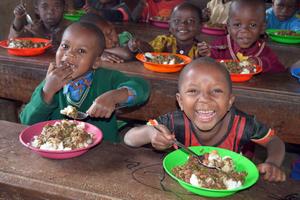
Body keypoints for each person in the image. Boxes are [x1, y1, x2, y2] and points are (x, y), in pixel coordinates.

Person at [124, 58, 286, 182]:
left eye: (216, 91)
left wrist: (273, 163)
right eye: (193, 91)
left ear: (230, 101)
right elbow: (129, 138)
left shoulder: (242, 124)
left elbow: (274, 141)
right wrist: (151, 134)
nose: (204, 100)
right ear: (180, 101)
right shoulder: (174, 122)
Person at [20, 22, 150, 142]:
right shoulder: (50, 82)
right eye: (65, 46)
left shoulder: (106, 78)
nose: (69, 54)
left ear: (96, 62)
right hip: (57, 151)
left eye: (81, 51)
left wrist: (115, 96)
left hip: (103, 154)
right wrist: (47, 92)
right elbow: (27, 122)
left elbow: (142, 87)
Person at [207, 0, 286, 73]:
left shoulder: (265, 52)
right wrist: (206, 54)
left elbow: (280, 71)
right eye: (237, 25)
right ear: (228, 27)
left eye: (252, 25)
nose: (244, 31)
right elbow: (207, 64)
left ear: (262, 28)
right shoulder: (219, 46)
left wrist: (259, 63)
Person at [128, 3, 210, 59]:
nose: (183, 24)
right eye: (177, 21)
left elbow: (203, 63)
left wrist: (204, 55)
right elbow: (151, 51)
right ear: (170, 26)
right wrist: (139, 44)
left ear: (200, 27)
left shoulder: (199, 49)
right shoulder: (163, 41)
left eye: (190, 21)